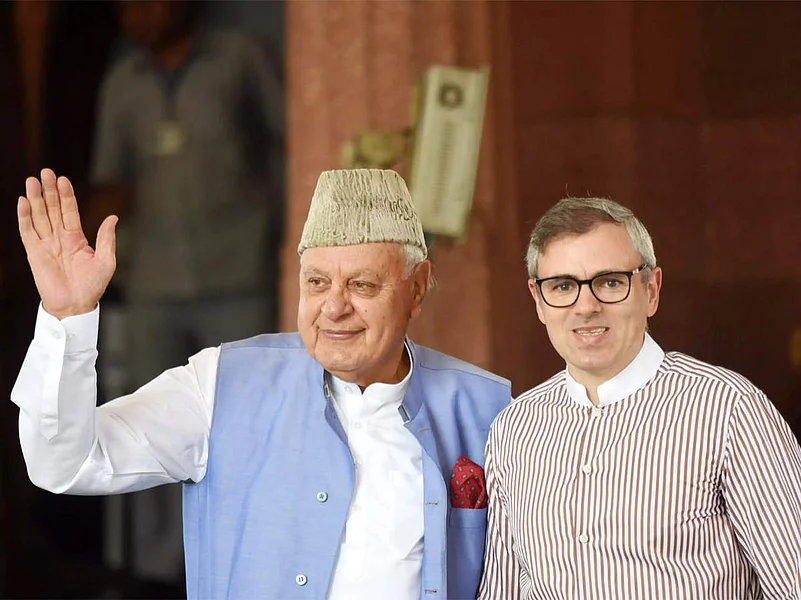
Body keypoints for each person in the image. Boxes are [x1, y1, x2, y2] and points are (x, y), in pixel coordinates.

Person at [12, 167, 510, 600]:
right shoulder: (221, 383)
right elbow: (65, 463)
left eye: (361, 285)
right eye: (316, 283)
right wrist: (67, 318)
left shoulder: (489, 408)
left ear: (418, 286)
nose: (334, 308)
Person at [479, 197, 801, 599]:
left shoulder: (727, 410)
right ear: (539, 301)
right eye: (562, 286)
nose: (586, 306)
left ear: (651, 290)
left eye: (610, 282)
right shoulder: (516, 427)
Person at [87, 0, 284, 585]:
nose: (136, 13)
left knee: (243, 426)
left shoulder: (240, 58)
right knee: (142, 428)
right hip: (154, 284)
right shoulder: (122, 83)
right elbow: (109, 183)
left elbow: (290, 141)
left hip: (239, 274)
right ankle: (157, 574)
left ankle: (242, 567)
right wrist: (100, 276)